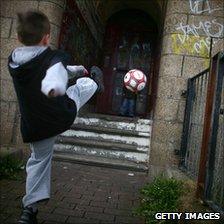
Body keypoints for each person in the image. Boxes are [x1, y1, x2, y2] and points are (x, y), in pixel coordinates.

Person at [8, 10, 104, 224]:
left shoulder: (14, 62)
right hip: (59, 115)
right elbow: (54, 75)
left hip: (35, 126)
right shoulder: (54, 59)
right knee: (80, 89)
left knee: (38, 161)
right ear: (47, 37)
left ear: (18, 38)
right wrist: (59, 83)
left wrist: (73, 70)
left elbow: (48, 68)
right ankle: (97, 85)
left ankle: (28, 211)